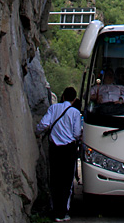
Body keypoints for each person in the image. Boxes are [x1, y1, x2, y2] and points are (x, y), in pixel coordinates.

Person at [36, 86, 82, 222]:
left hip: (54, 149)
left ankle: (54, 209)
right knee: (67, 181)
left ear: (62, 97)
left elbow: (44, 124)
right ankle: (63, 212)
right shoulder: (75, 113)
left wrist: (37, 133)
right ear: (74, 100)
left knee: (55, 179)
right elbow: (76, 133)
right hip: (69, 150)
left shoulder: (53, 108)